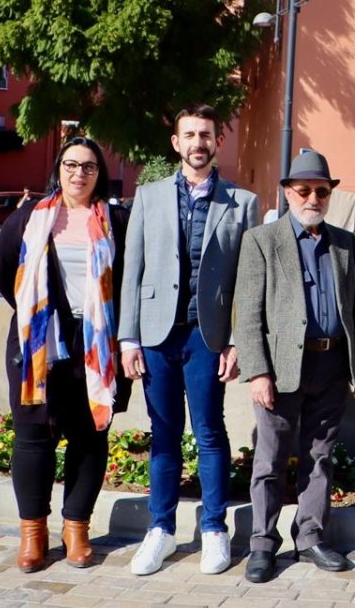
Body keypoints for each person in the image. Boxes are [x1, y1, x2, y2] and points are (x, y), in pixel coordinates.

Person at [119, 105, 260, 576]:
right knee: (163, 436)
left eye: (206, 135)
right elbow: (132, 271)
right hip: (157, 336)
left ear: (217, 142)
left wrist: (240, 339)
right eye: (190, 135)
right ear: (176, 143)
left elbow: (249, 279)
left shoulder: (243, 203)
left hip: (209, 335)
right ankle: (160, 530)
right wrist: (128, 338)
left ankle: (214, 529)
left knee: (210, 434)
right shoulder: (149, 196)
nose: (198, 142)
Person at [0, 137, 132, 573]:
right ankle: (33, 534)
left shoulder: (115, 220)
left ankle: (76, 529)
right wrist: (34, 314)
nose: (79, 174)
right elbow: (0, 267)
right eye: (71, 165)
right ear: (59, 169)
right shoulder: (32, 217)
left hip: (96, 340)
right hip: (40, 341)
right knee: (33, 436)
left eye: (88, 166)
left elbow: (129, 276)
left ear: (98, 173)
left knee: (90, 435)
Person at [231, 150, 355, 584]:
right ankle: (262, 544)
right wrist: (257, 371)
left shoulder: (345, 243)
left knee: (320, 457)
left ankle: (311, 537)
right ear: (288, 192)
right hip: (279, 370)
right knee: (270, 459)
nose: (313, 197)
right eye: (304, 190)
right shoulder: (262, 240)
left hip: (332, 364)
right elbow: (249, 312)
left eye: (321, 190)